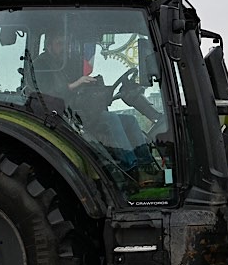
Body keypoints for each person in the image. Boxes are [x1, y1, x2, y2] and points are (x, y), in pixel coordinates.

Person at [33, 30, 155, 178]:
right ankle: (130, 166)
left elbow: (74, 89)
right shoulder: (41, 64)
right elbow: (46, 93)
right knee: (112, 120)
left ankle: (147, 165)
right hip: (61, 114)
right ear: (49, 45)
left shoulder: (61, 64)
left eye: (66, 44)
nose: (64, 48)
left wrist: (95, 88)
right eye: (60, 44)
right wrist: (76, 84)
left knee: (130, 121)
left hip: (76, 110)